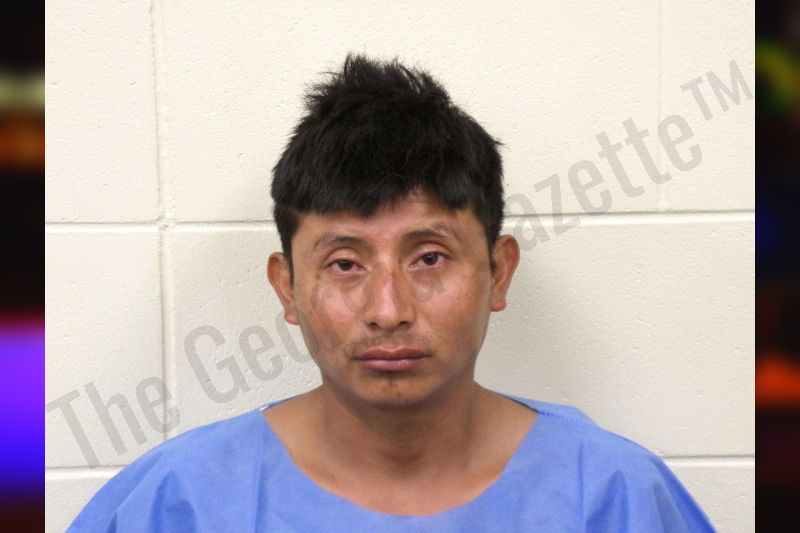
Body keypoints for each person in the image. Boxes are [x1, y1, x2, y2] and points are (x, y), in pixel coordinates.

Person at [69, 54, 714, 532]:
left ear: (498, 272)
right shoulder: (179, 503)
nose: (388, 310)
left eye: (429, 258)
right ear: (287, 288)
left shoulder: (613, 496)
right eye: (345, 264)